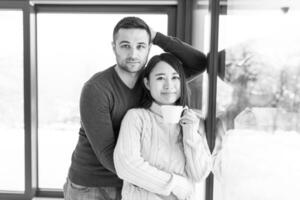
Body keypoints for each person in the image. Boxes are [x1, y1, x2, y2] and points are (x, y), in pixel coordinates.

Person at [64, 16, 208, 200]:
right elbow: (108, 154)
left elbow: (198, 63)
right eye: (125, 46)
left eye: (141, 46)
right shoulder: (97, 89)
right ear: (114, 47)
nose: (133, 54)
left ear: (149, 47)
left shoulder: (155, 81)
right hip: (94, 185)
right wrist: (168, 181)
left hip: (138, 185)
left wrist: (157, 37)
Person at [114, 53, 212, 200]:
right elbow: (126, 166)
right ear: (147, 83)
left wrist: (190, 133)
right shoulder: (136, 117)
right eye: (160, 78)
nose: (169, 85)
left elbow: (199, 174)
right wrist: (176, 185)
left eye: (175, 78)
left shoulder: (193, 121)